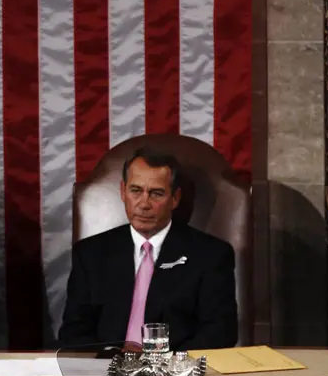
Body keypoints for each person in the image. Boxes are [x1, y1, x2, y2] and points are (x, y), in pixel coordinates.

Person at [58, 148, 238, 351]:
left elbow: (220, 333)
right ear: (123, 192)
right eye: (136, 191)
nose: (144, 204)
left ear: (175, 198)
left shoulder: (211, 255)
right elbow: (73, 333)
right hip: (106, 373)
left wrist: (161, 364)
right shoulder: (91, 254)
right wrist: (112, 357)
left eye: (156, 193)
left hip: (175, 375)